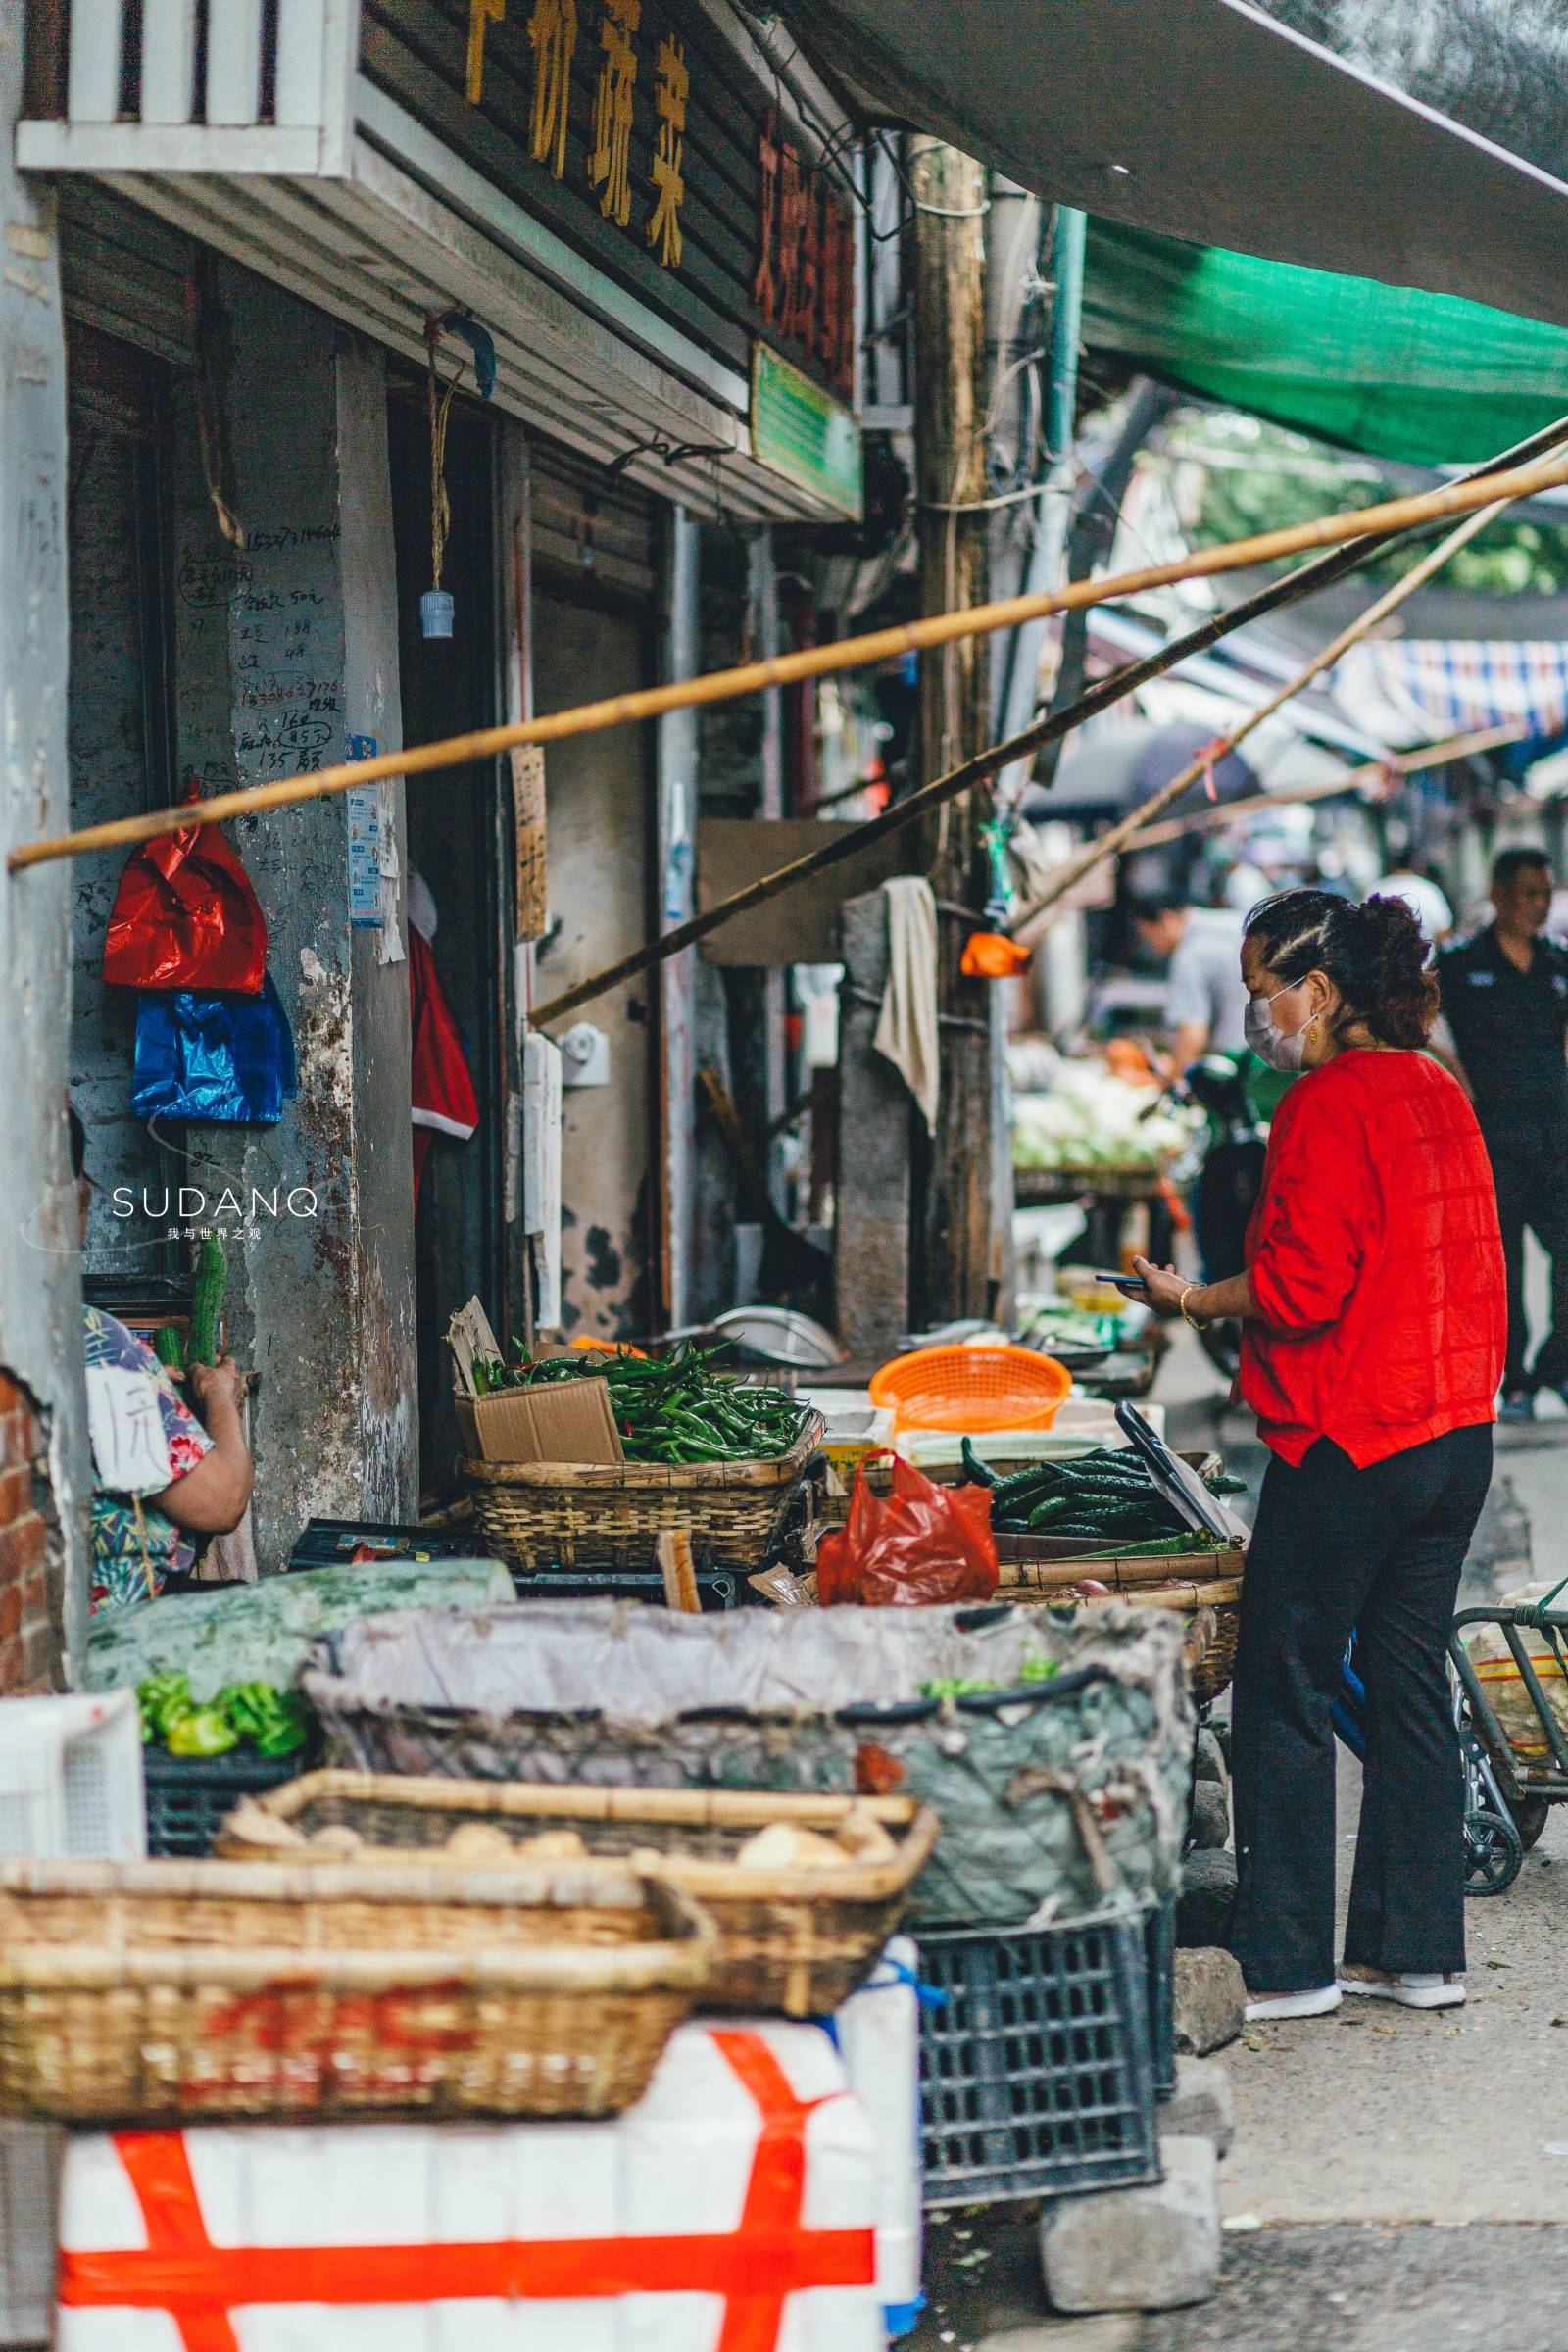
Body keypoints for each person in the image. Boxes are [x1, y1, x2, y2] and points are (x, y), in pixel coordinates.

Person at [1132, 892, 1504, 2023]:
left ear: (1323, 991)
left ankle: (1289, 1963)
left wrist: (1190, 1296)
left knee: (1283, 1685)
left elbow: (1301, 1288)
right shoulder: (1438, 1085)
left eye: (1263, 990)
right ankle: (1415, 1953)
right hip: (1453, 1441)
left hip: (1350, 1441)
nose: (1256, 1013)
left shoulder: (1325, 1103)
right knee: (1404, 1686)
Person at [72, 1109, 252, 1612]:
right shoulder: (94, 1346)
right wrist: (221, 1401)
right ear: (75, 1199)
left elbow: (123, 1460)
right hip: (114, 1620)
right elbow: (219, 1503)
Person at [1435, 848, 1568, 1422]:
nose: (1537, 906)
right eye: (1526, 894)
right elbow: (1421, 1024)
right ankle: (1513, 1381)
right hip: (1491, 1140)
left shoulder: (1559, 963)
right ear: (1496, 896)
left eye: (1545, 894)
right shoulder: (1462, 965)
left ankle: (1557, 1369)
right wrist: (1458, 1083)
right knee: (1502, 1267)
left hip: (1558, 1136)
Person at [1132, 895, 1249, 1071]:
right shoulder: (1239, 922)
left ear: (1166, 920)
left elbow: (1192, 1034)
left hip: (1239, 1062)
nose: (1153, 947)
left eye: (1149, 937)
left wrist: (1174, 1083)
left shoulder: (1189, 955)